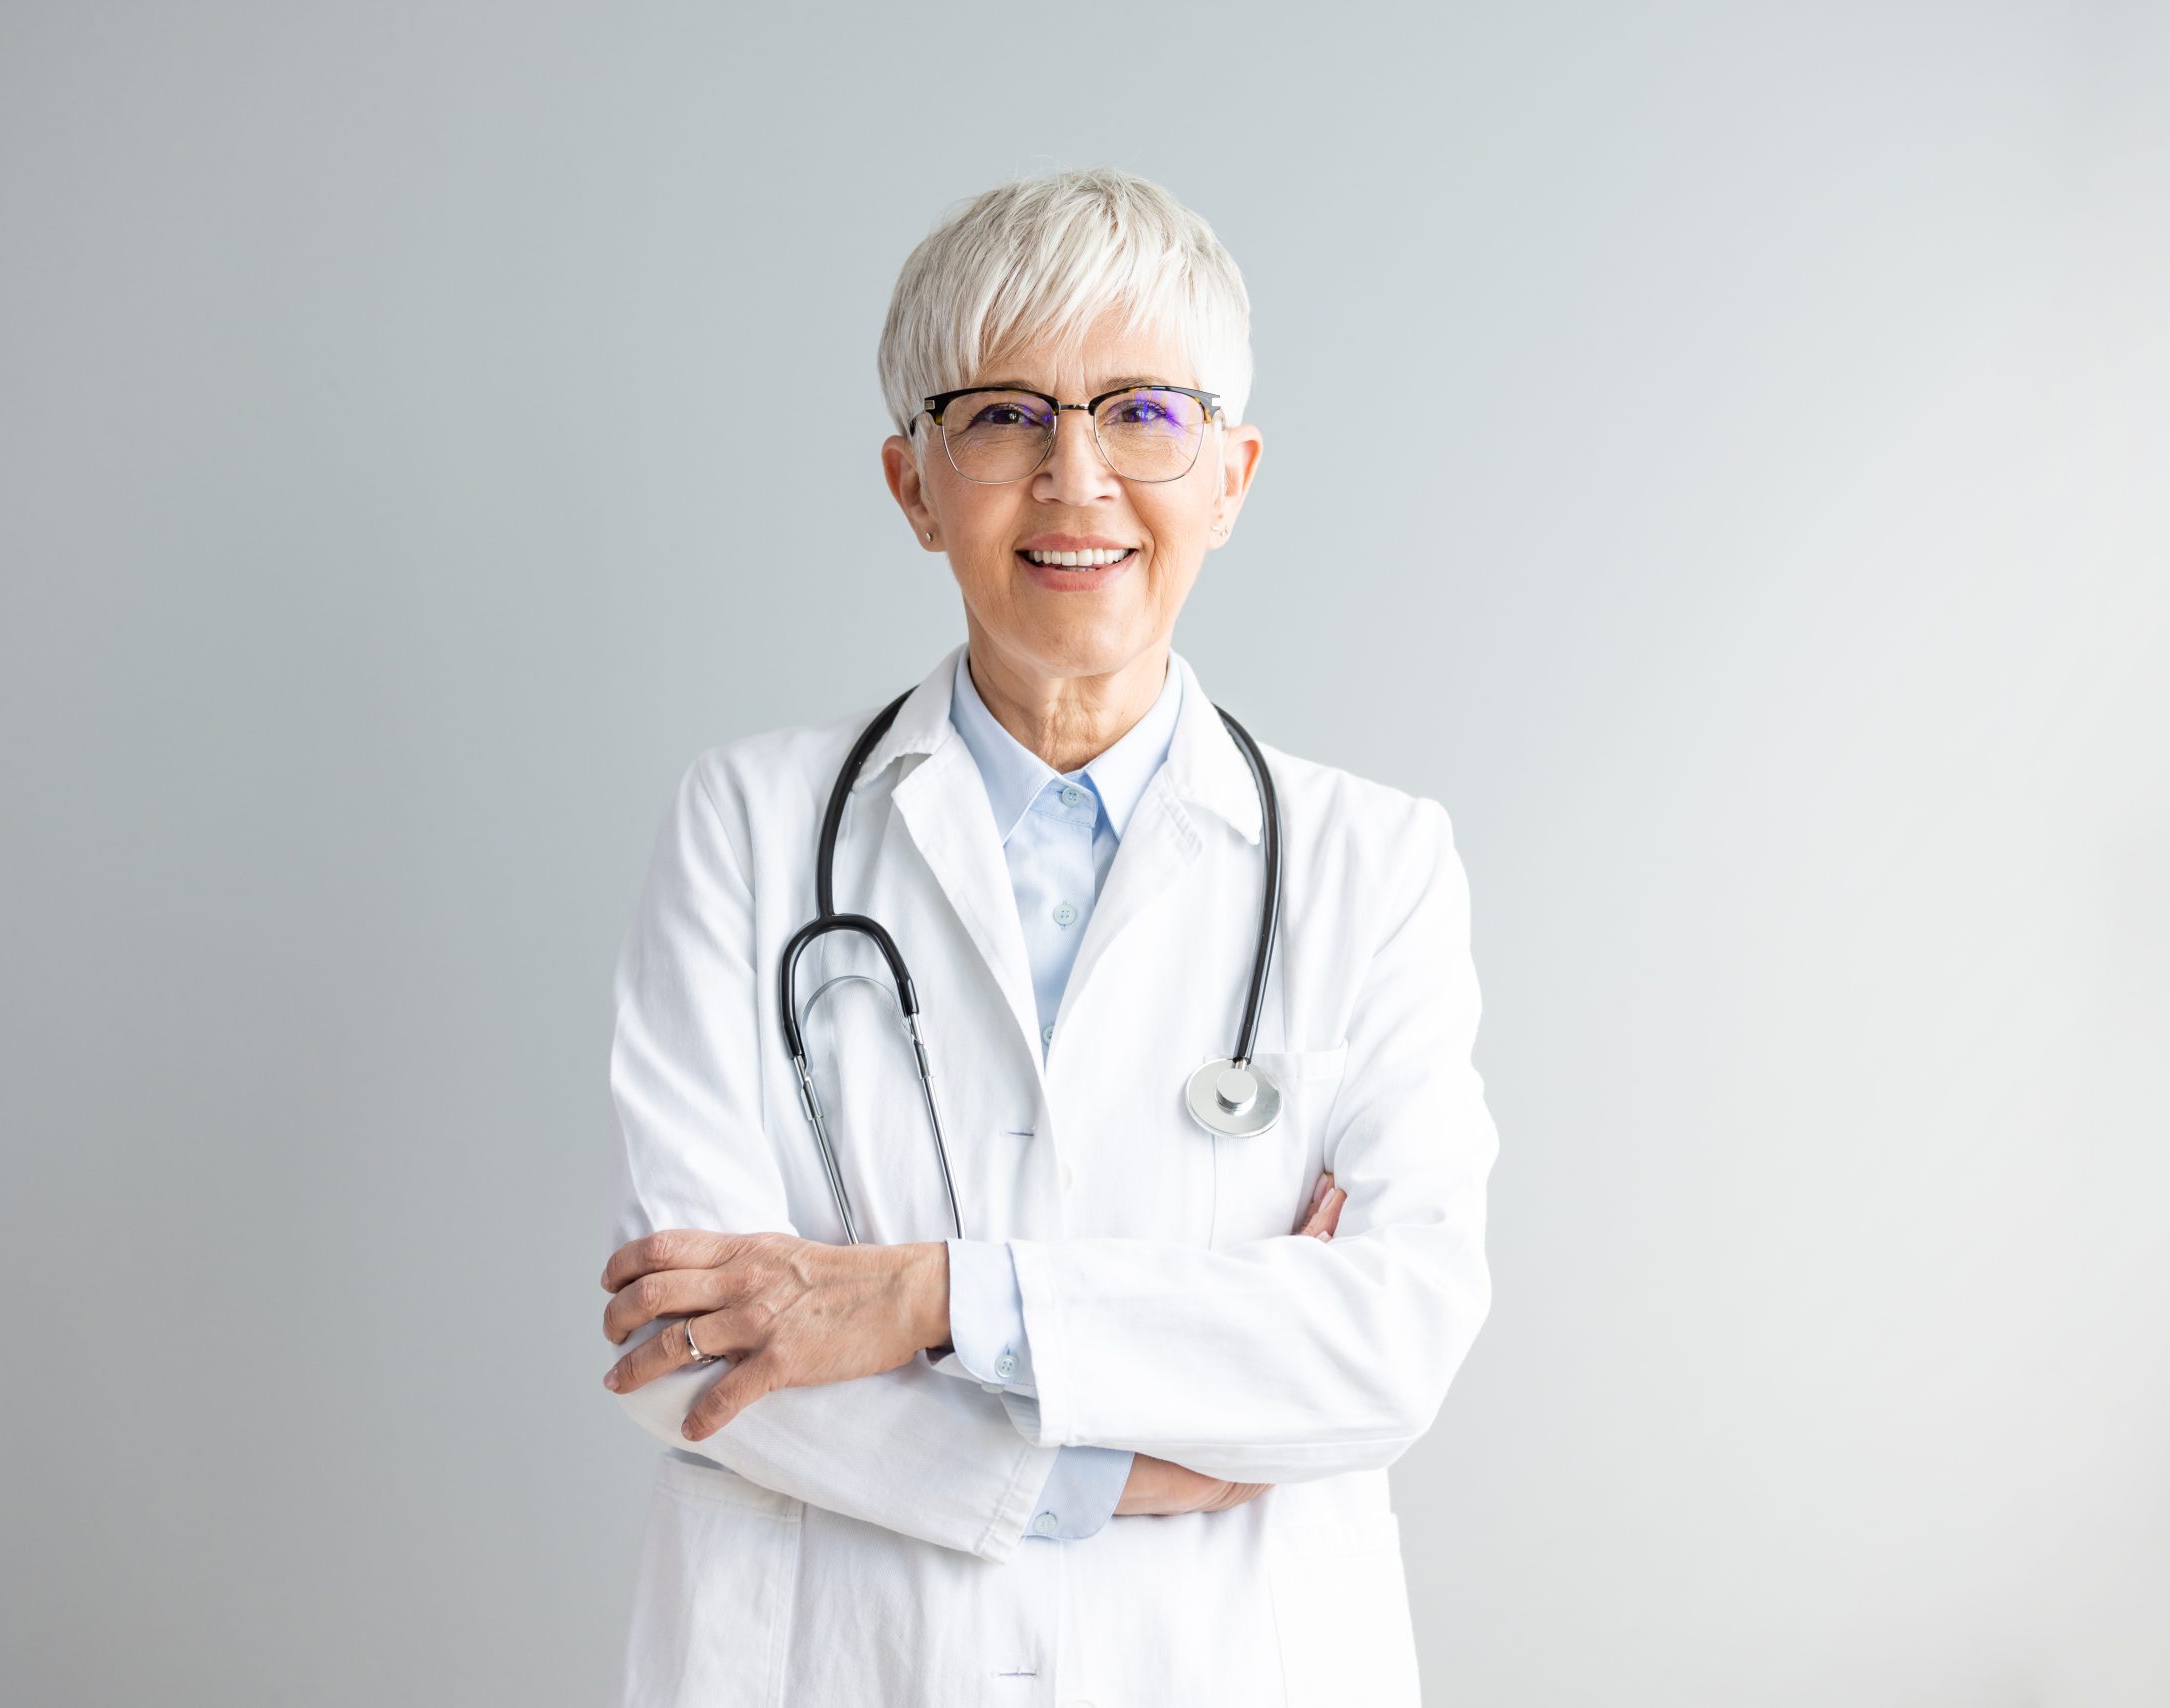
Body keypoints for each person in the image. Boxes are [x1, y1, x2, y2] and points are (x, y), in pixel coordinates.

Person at [596, 166, 1498, 1707]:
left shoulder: (1375, 864)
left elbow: (1388, 1337)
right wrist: (1110, 1469)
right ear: (913, 482)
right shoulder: (748, 829)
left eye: (1145, 414)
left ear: (1231, 472)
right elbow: (692, 1349)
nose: (1076, 477)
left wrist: (927, 1299)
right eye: (1005, 415)